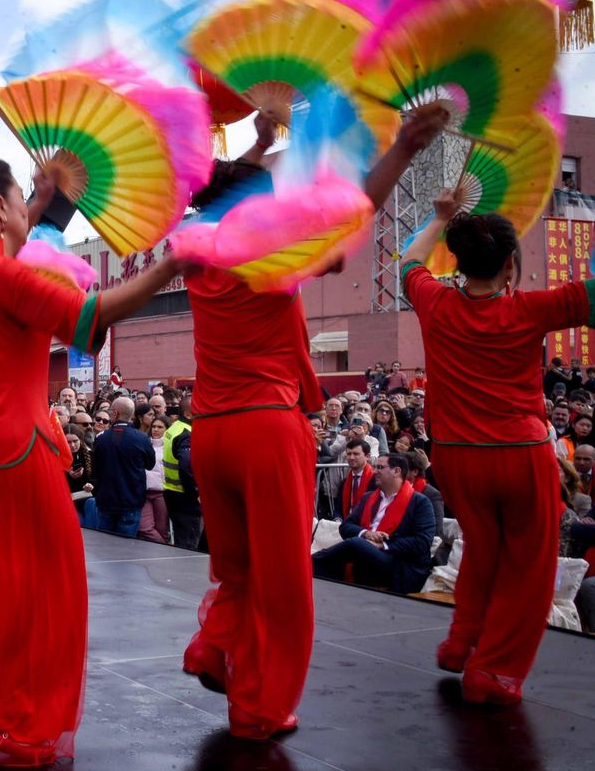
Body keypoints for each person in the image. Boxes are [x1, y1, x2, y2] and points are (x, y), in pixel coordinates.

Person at [0, 158, 185, 767]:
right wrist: (171, 263)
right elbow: (92, 315)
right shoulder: (1, 278)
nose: (26, 207)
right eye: (20, 198)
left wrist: (43, 200)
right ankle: (9, 725)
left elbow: (13, 267)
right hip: (17, 454)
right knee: (39, 591)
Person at [182, 103, 447, 738]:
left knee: (236, 567)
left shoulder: (193, 252)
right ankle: (261, 708)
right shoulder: (273, 250)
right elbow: (354, 212)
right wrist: (405, 146)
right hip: (267, 427)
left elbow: (215, 193)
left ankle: (214, 646)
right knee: (284, 580)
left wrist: (257, 146)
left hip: (210, 433)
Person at [400, 189, 595, 704]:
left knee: (482, 549)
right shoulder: (530, 309)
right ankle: (494, 672)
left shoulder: (434, 301)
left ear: (459, 260)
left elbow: (410, 260)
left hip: (455, 457)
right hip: (518, 455)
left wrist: (436, 218)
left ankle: (461, 645)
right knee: (528, 568)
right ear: (508, 267)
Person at [312, 453, 437, 593]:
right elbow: (346, 526)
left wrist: (383, 545)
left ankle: (307, 563)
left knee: (355, 544)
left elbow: (423, 541)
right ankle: (308, 569)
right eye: (375, 467)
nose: (375, 471)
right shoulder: (368, 497)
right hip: (365, 557)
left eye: (380, 467)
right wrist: (366, 533)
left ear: (397, 471)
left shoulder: (420, 502)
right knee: (332, 563)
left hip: (398, 562)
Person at [92, 396, 156, 537]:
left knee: (104, 545)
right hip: (131, 499)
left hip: (106, 500)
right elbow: (150, 464)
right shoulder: (142, 438)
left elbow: (95, 470)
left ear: (115, 413)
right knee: (126, 547)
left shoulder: (101, 439)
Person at [162, 393, 202, 550]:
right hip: (185, 497)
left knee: (182, 540)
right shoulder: (187, 434)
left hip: (173, 493)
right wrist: (195, 493)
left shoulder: (174, 428)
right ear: (187, 413)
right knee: (188, 544)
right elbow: (187, 466)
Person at [139, 416, 171, 543]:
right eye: (154, 426)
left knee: (162, 529)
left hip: (162, 493)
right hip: (144, 493)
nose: (155, 429)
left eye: (160, 427)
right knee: (145, 528)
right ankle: (165, 549)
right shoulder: (143, 444)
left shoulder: (170, 446)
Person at [339, 439, 376, 516]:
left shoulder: (376, 480)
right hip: (346, 521)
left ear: (368, 456)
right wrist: (337, 519)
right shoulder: (344, 482)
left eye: (356, 454)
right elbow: (338, 507)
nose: (351, 457)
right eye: (349, 454)